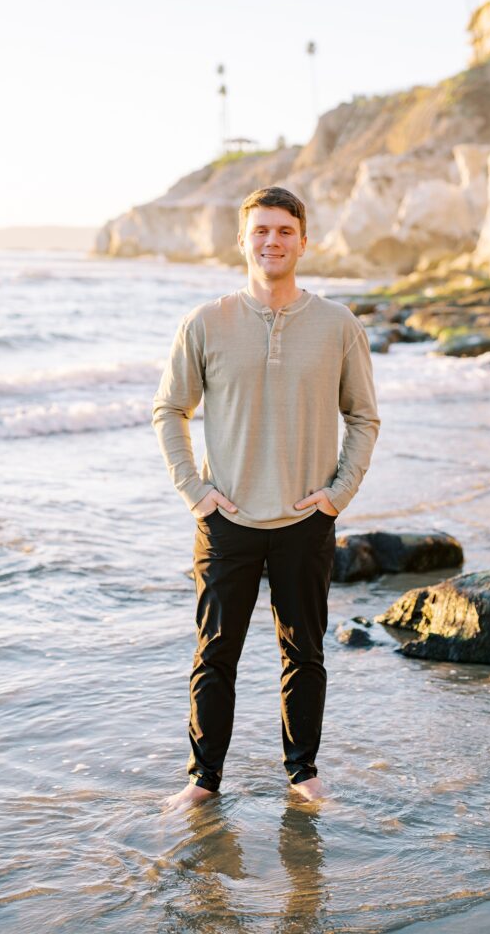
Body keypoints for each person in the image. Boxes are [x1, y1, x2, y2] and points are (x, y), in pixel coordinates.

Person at [152, 186, 379, 808]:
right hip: (226, 519)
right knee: (214, 654)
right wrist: (195, 493)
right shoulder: (206, 322)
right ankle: (203, 781)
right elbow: (170, 409)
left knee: (304, 652)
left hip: (306, 518)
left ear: (303, 241)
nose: (272, 242)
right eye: (261, 231)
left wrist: (338, 495)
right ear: (243, 240)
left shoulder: (338, 325)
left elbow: (363, 417)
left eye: (284, 231)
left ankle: (302, 774)